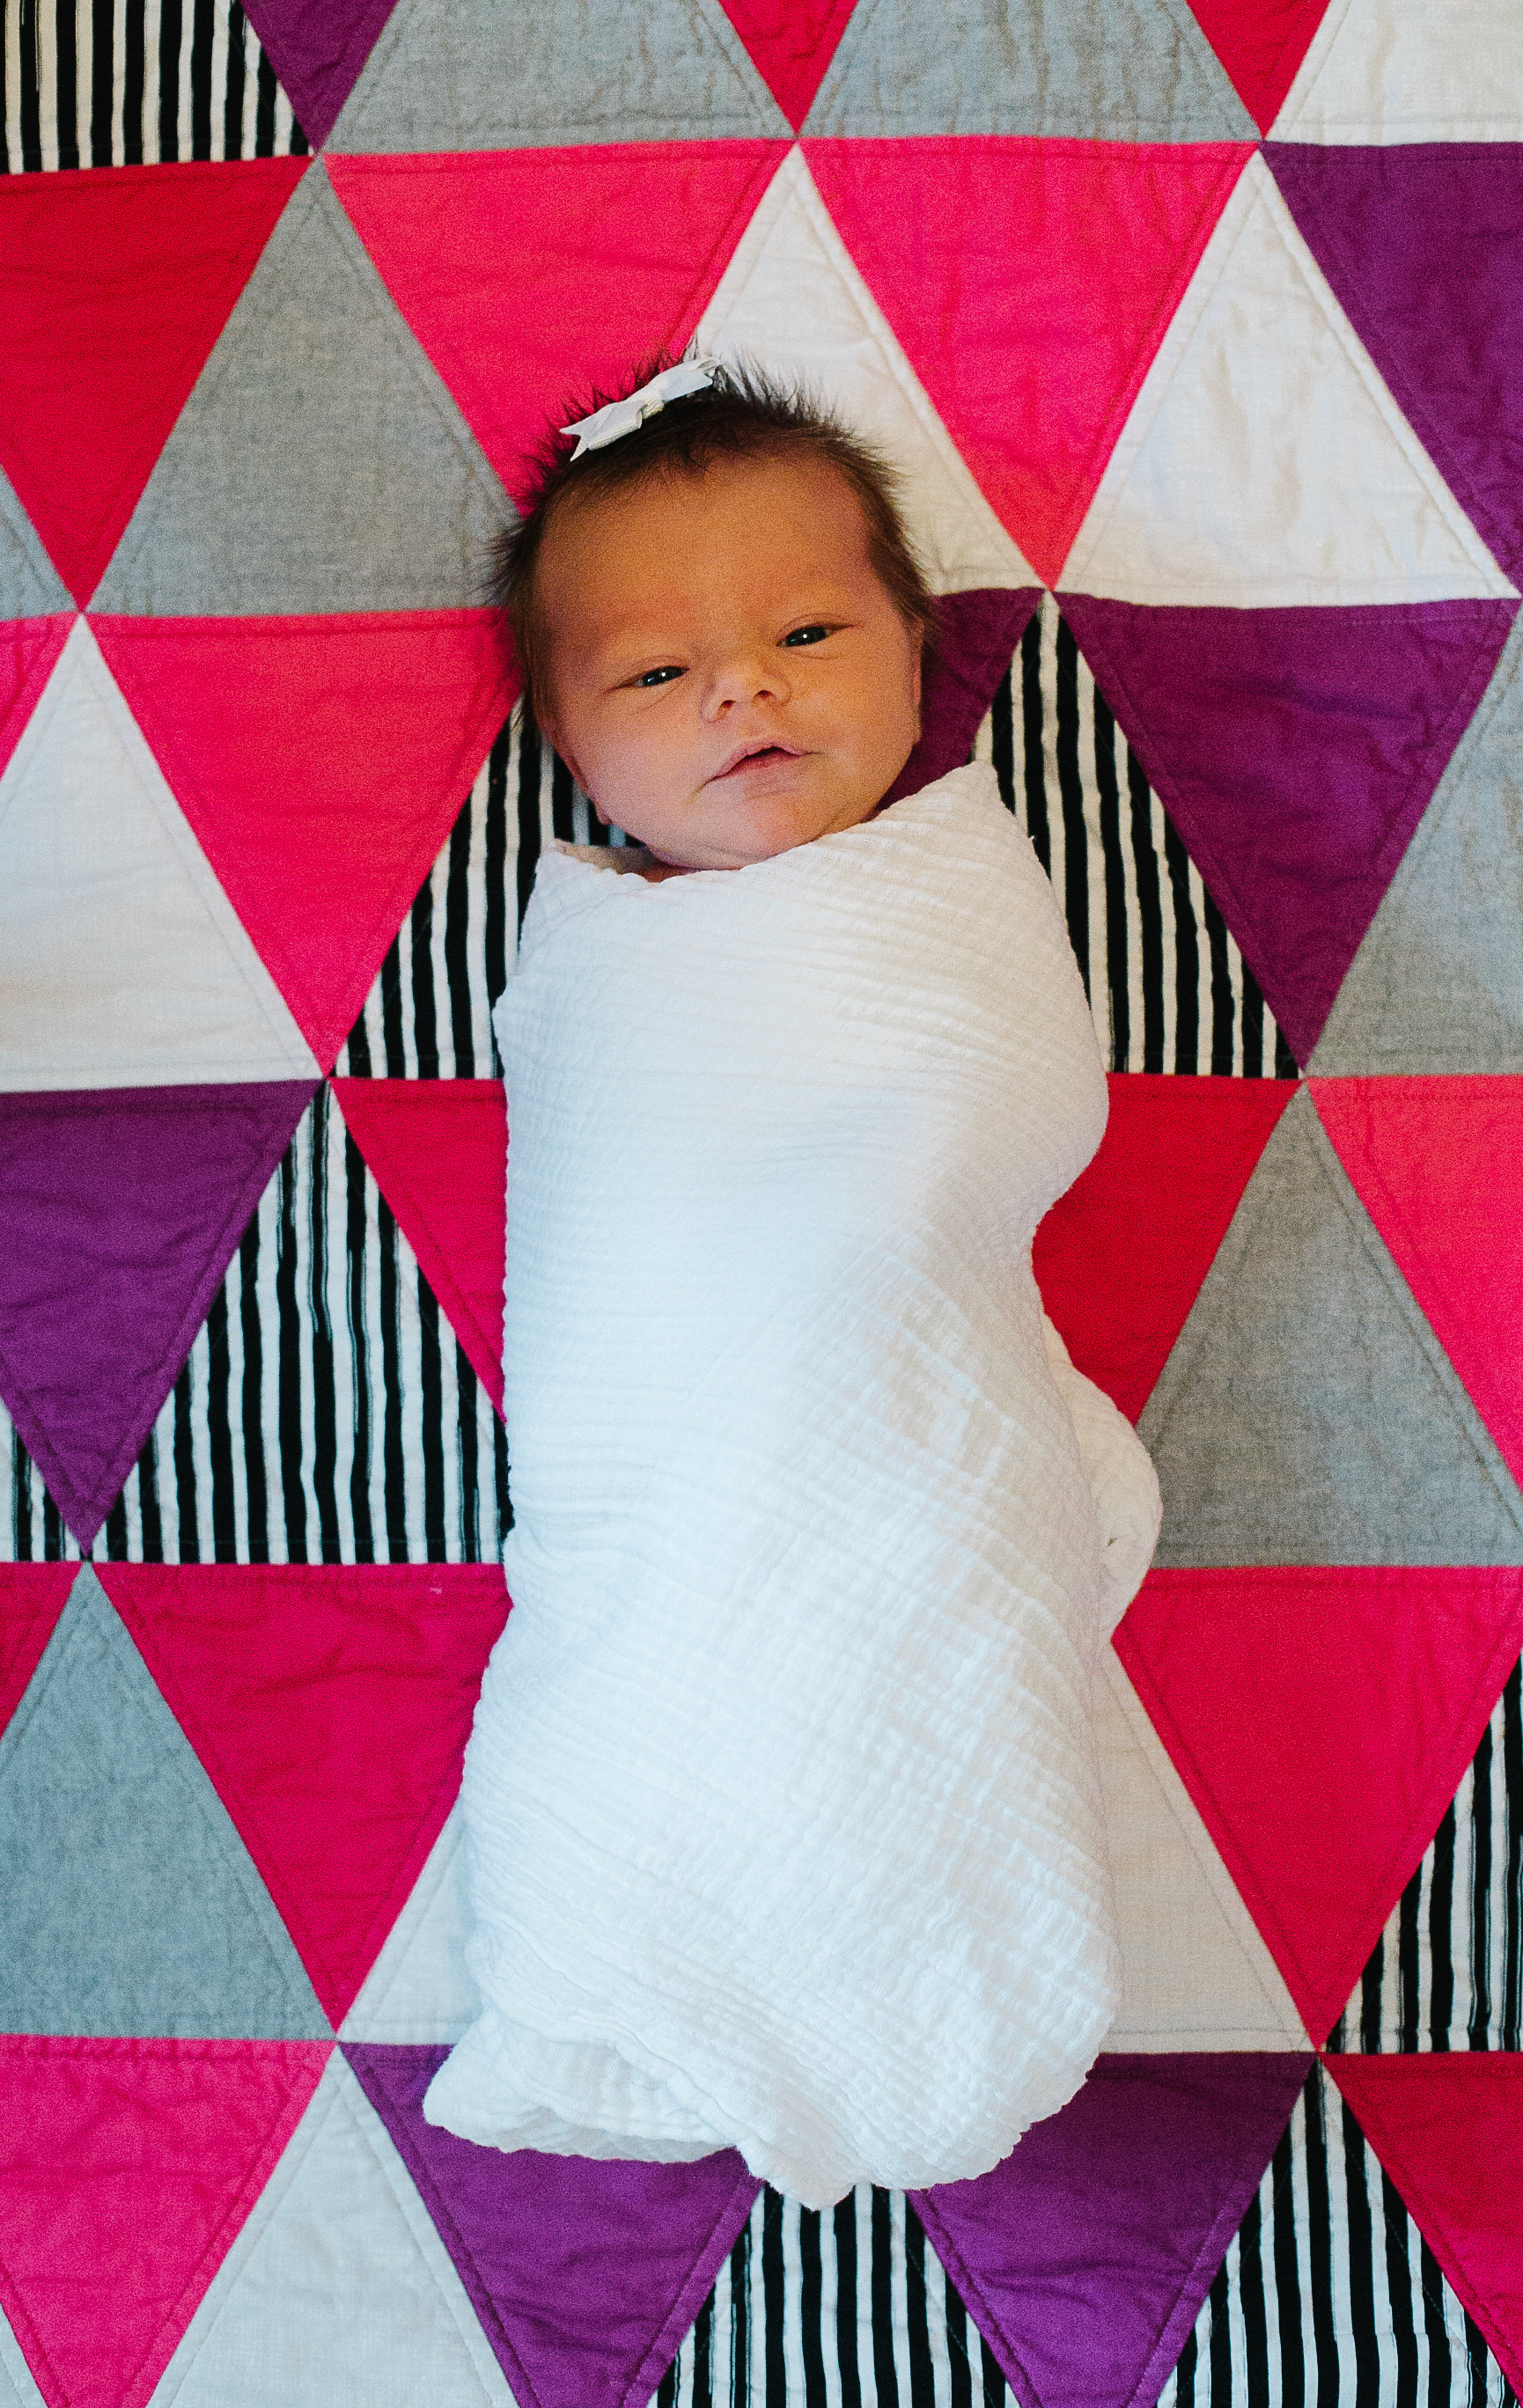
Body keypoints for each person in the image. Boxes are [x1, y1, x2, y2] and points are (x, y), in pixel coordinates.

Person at [423, 357, 1161, 2208]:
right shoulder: (601, 978)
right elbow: (613, 1283)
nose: (741, 689)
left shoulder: (953, 912)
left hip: (896, 1440)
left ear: (916, 650)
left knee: (913, 1598)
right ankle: (628, 1952)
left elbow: (985, 1126)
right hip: (665, 1503)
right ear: (563, 742)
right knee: (644, 1647)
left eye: (807, 633)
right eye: (655, 676)